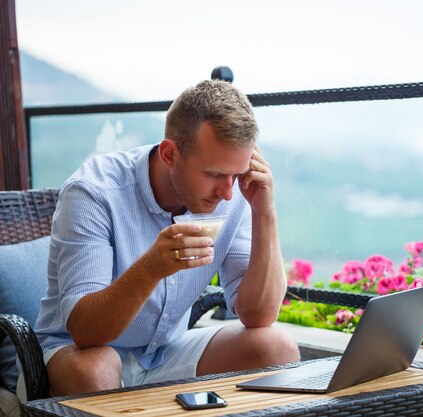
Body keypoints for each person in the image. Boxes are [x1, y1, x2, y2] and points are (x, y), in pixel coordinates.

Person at [22, 79, 300, 397]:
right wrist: (153, 266)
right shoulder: (94, 192)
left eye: (235, 174)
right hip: (77, 353)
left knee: (275, 347)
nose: (226, 192)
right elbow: (86, 332)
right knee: (96, 367)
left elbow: (258, 315)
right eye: (213, 175)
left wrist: (265, 211)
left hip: (165, 352)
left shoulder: (234, 194)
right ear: (170, 154)